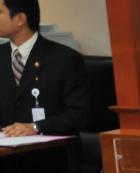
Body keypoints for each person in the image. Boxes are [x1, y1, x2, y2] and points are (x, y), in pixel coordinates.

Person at [0, 0, 89, 136]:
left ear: (20, 19)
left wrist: (37, 127)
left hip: (51, 146)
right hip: (6, 145)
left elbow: (81, 114)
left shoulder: (64, 58)